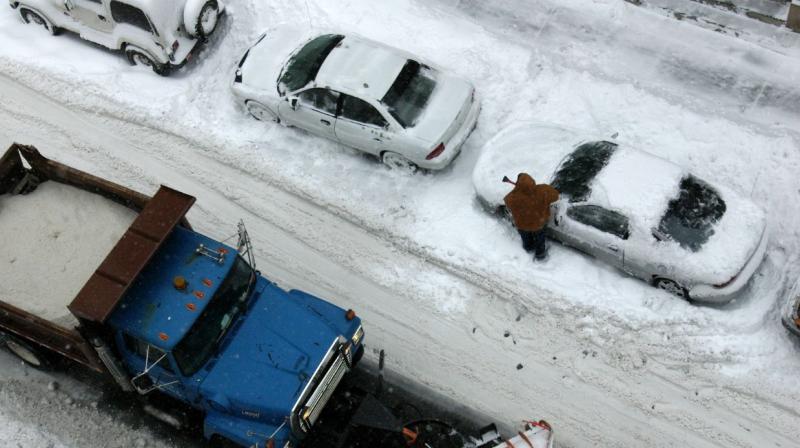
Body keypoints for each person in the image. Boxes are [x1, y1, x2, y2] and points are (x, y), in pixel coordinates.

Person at [503, 173, 560, 260]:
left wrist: (516, 191)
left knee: (526, 238)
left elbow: (507, 202)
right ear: (532, 181)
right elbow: (556, 196)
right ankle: (540, 254)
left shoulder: (512, 197)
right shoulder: (543, 190)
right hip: (539, 223)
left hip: (522, 225)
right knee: (540, 239)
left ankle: (528, 247)